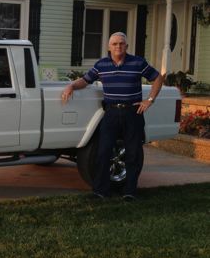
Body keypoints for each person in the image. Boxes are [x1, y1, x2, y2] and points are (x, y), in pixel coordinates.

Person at [61, 32, 163, 200]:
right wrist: (71, 86)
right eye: (114, 44)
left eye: (121, 43)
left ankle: (129, 192)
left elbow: (158, 78)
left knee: (133, 153)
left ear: (127, 46)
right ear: (109, 47)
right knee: (103, 152)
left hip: (133, 112)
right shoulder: (101, 65)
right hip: (111, 113)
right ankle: (101, 191)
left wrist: (149, 100)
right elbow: (86, 80)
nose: (118, 46)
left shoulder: (138, 62)